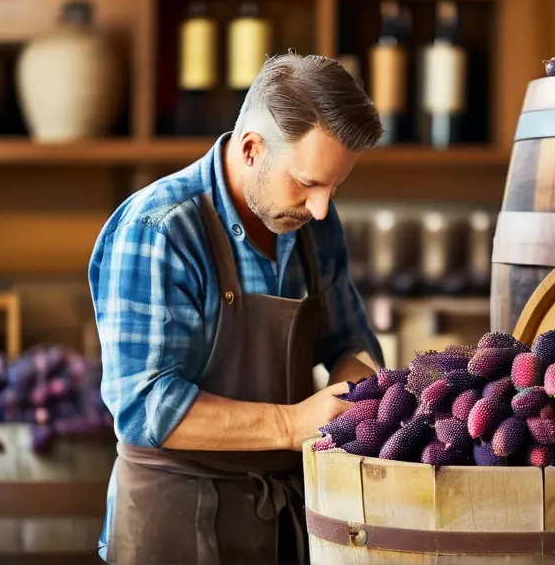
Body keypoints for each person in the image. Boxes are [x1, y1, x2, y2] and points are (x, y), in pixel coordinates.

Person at [88, 52, 386, 565]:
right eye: (307, 182)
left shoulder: (316, 225)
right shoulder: (159, 228)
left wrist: (358, 396)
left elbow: (350, 339)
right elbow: (144, 407)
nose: (320, 207)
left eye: (335, 186)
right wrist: (292, 425)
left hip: (282, 525)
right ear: (251, 150)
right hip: (170, 524)